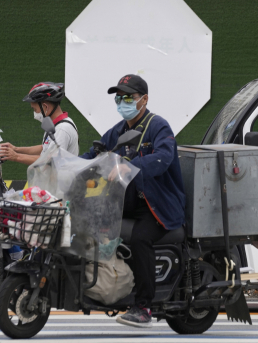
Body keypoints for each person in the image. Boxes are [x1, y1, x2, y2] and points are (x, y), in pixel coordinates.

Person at [80, 74, 185, 328]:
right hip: (129, 204)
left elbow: (163, 157)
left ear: (144, 99)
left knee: (139, 238)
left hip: (159, 205)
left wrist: (131, 167)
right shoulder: (118, 131)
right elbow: (94, 153)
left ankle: (144, 306)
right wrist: (71, 168)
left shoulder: (159, 126)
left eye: (128, 97)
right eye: (119, 98)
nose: (122, 102)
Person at [0, 82, 79, 164]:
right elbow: (45, 148)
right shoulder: (56, 125)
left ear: (46, 107)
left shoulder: (62, 129)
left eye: (35, 109)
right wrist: (16, 149)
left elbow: (51, 161)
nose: (35, 114)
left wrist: (17, 156)